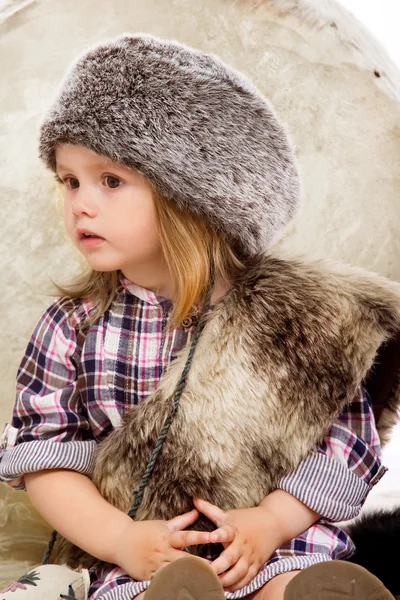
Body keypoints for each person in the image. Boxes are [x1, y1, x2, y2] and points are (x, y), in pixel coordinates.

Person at [0, 33, 398, 600]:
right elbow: (46, 459)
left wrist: (268, 523)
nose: (80, 204)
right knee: (148, 591)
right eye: (69, 181)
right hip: (140, 556)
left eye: (110, 181)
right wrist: (120, 540)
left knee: (288, 584)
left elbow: (342, 448)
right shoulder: (72, 326)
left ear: (195, 197)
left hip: (265, 546)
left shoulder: (294, 318)